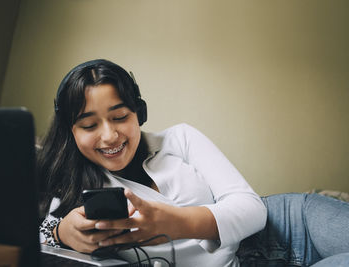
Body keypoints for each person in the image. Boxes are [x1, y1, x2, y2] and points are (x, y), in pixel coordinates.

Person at [37, 59, 349, 267]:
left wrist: (173, 222)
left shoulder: (180, 139)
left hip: (293, 223)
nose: (109, 136)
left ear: (139, 114)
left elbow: (252, 208)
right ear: (71, 132)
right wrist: (62, 233)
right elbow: (31, 235)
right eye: (89, 125)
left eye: (120, 117)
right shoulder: (68, 185)